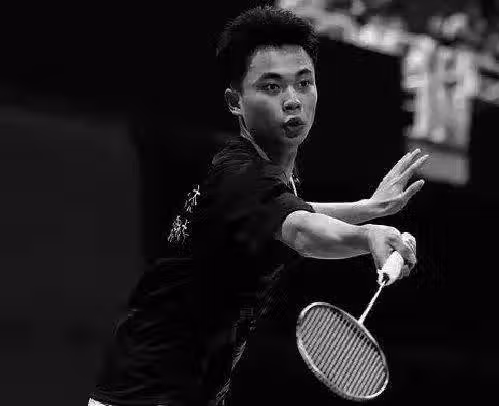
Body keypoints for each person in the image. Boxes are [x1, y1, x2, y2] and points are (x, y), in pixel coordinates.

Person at [88, 6, 427, 406]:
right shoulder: (242, 175)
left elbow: (294, 211)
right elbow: (301, 231)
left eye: (304, 83)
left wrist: (367, 208)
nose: (293, 100)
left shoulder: (263, 175)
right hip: (144, 397)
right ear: (235, 101)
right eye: (271, 87)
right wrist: (366, 236)